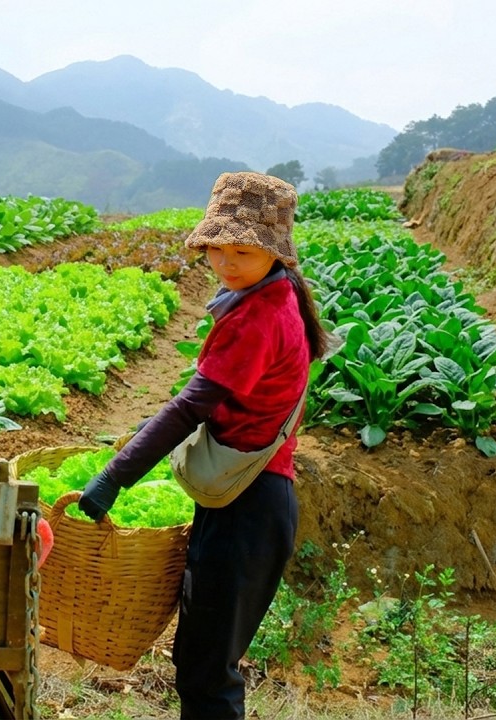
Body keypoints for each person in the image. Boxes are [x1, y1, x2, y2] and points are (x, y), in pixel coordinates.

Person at [79, 171, 331, 720]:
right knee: (205, 662)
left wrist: (115, 476)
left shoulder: (260, 316)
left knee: (207, 673)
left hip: (248, 509)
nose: (227, 263)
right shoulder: (275, 294)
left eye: (244, 250)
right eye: (218, 249)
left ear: (276, 254)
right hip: (247, 496)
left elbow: (190, 406)